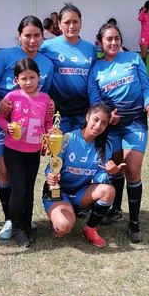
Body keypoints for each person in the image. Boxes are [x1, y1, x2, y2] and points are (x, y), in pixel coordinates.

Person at [0, 15, 54, 241]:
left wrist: (49, 114)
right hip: (11, 139)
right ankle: (13, 223)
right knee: (11, 179)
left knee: (27, 185)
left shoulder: (47, 64)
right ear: (19, 36)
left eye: (37, 35)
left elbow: (46, 103)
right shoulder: (6, 57)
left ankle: (25, 222)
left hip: (33, 145)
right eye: (27, 35)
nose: (32, 40)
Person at [88, 23, 149, 243]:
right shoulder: (96, 69)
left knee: (132, 170)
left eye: (117, 38)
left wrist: (148, 103)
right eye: (109, 39)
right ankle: (115, 210)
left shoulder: (133, 58)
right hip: (112, 127)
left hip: (135, 123)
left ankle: (134, 223)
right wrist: (108, 116)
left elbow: (146, 87)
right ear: (100, 43)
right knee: (116, 170)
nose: (113, 42)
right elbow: (95, 101)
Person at [43, 102, 126, 248]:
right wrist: (52, 176)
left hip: (81, 193)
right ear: (87, 117)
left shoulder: (105, 145)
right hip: (58, 191)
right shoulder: (68, 138)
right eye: (96, 119)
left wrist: (108, 173)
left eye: (104, 123)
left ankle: (90, 229)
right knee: (64, 226)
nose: (98, 126)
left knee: (109, 191)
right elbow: (52, 166)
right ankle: (64, 213)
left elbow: (99, 175)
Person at [0, 58, 52, 247]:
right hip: (13, 151)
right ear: (16, 80)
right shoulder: (12, 97)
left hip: (33, 152)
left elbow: (48, 123)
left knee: (28, 189)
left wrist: (49, 138)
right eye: (24, 78)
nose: (28, 82)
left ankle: (27, 224)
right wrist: (7, 127)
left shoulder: (45, 99)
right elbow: (0, 118)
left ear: (39, 77)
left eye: (32, 77)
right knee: (18, 188)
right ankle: (17, 228)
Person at [40, 4, 96, 133]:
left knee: (79, 144)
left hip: (83, 112)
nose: (71, 26)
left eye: (75, 22)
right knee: (60, 145)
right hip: (58, 112)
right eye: (67, 22)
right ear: (59, 24)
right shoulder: (47, 47)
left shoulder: (90, 49)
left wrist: (93, 107)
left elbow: (92, 81)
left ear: (81, 23)